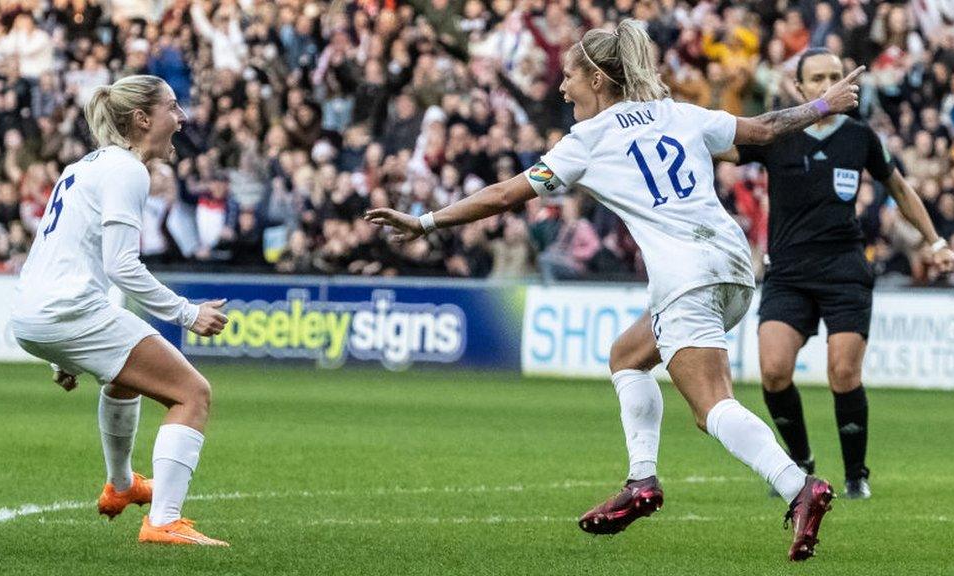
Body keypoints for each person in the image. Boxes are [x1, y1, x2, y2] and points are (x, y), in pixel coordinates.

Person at [366, 20, 863, 562]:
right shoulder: (679, 112)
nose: (562, 88)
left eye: (569, 76)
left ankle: (798, 486)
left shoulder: (588, 141)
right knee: (627, 357)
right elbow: (764, 130)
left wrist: (427, 222)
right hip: (734, 265)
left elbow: (507, 194)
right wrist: (823, 107)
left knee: (710, 408)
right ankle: (641, 481)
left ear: (599, 78)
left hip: (686, 276)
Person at [715, 48, 954, 499]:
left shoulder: (860, 136)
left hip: (844, 270)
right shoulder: (776, 133)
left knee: (843, 374)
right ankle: (801, 462)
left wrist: (936, 242)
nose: (831, 83)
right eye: (819, 77)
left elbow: (900, 189)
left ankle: (855, 475)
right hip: (788, 271)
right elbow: (720, 147)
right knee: (773, 371)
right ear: (801, 88)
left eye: (836, 75)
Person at [9, 75, 231, 546]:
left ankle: (123, 486)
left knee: (124, 379)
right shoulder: (129, 170)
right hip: (67, 311)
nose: (182, 117)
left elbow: (62, 257)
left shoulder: (82, 167)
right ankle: (163, 521)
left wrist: (58, 353)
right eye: (173, 107)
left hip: (34, 311)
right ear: (142, 119)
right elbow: (121, 266)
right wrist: (188, 314)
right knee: (192, 393)